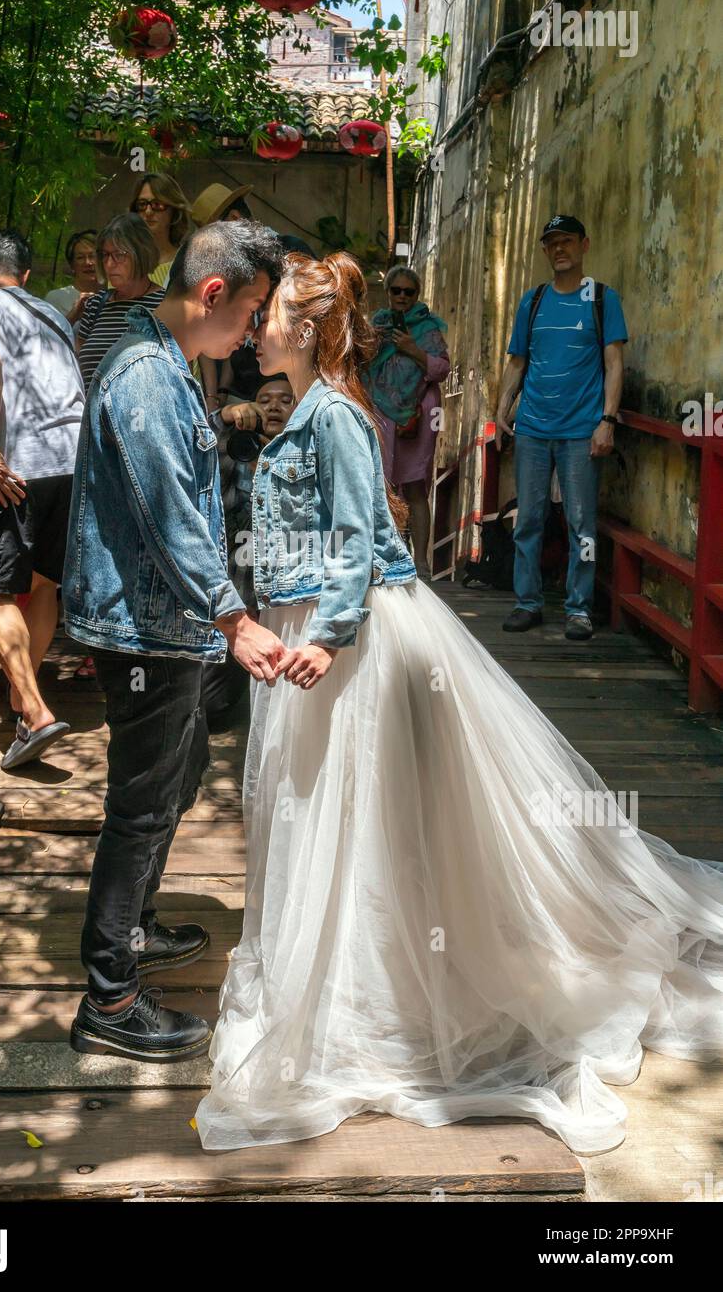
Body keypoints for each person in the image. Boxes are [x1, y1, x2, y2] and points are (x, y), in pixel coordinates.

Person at [192, 250, 723, 1156]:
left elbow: (359, 539)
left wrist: (325, 634)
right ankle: (349, 975)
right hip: (312, 630)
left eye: (274, 313)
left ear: (310, 329)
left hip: (350, 639)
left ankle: (379, 990)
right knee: (327, 811)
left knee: (359, 810)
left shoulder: (337, 418)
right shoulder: (309, 408)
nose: (260, 327)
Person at [63, 220, 288, 1063]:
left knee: (177, 777)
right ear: (215, 294)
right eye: (253, 312)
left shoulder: (165, 360)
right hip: (147, 628)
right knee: (143, 804)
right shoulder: (149, 377)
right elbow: (169, 518)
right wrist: (233, 618)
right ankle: (110, 996)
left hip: (167, 622)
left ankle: (137, 925)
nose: (256, 332)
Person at [0, 231, 84, 771]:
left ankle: (33, 707)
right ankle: (25, 708)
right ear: (27, 276)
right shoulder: (53, 314)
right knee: (44, 583)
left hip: (21, 463)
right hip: (75, 459)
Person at [495, 215, 627, 640]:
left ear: (584, 245)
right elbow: (517, 362)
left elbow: (613, 364)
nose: (559, 249)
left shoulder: (602, 299)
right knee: (528, 519)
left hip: (580, 431)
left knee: (581, 523)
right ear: (546, 250)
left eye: (567, 241)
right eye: (551, 243)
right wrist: (502, 409)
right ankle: (527, 602)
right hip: (533, 427)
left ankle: (578, 609)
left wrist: (607, 421)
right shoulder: (532, 301)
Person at [200, 373, 296, 721]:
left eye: (286, 399)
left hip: (288, 603)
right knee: (213, 708)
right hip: (234, 605)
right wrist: (223, 416)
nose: (273, 405)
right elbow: (190, 443)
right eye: (265, 398)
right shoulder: (231, 452)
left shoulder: (309, 454)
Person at [190, 182, 316, 411]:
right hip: (240, 394)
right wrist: (221, 391)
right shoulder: (227, 269)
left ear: (235, 220)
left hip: (287, 395)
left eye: (215, 239)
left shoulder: (291, 253)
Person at [362, 265, 450, 583]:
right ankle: (389, 556)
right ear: (388, 293)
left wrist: (413, 349)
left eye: (408, 291)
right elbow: (361, 364)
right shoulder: (377, 325)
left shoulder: (427, 329)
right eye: (395, 290)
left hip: (417, 415)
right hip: (381, 411)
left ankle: (422, 565)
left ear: (417, 294)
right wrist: (373, 343)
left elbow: (441, 369)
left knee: (415, 487)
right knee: (383, 485)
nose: (401, 296)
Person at [75, 213, 165, 395]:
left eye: (118, 255)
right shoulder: (95, 305)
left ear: (141, 253)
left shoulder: (163, 304)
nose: (109, 264)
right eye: (105, 255)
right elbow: (75, 366)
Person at [130, 172, 192, 288]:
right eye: (142, 204)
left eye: (157, 204)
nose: (148, 212)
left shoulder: (189, 263)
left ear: (174, 210)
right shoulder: (123, 264)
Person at [45, 230, 98, 320]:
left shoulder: (114, 297)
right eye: (80, 257)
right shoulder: (56, 298)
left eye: (92, 256)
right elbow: (49, 333)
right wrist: (74, 314)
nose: (88, 263)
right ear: (72, 265)